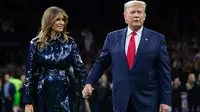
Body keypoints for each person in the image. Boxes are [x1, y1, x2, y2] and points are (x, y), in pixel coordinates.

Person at [82, 0, 172, 112]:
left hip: (148, 102)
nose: (136, 16)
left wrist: (166, 101)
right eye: (133, 12)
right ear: (125, 17)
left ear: (144, 16)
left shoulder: (157, 39)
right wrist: (89, 82)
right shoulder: (112, 37)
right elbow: (101, 63)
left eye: (139, 12)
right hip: (121, 101)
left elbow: (164, 73)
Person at [24, 6, 87, 112]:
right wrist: (28, 102)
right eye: (57, 19)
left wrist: (87, 85)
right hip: (42, 92)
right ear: (49, 21)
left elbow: (80, 69)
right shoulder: (36, 43)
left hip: (66, 91)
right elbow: (30, 74)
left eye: (63, 19)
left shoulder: (70, 42)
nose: (62, 22)